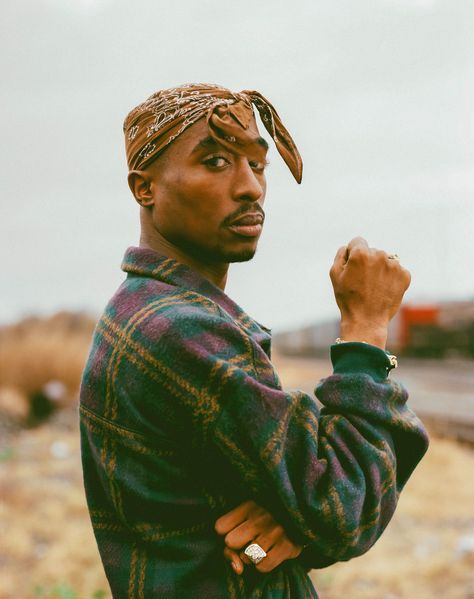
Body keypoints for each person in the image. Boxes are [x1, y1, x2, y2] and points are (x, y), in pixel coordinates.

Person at [80, 83, 428, 598]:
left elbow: (296, 518)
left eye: (258, 165)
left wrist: (294, 529)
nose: (251, 188)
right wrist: (365, 331)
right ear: (144, 188)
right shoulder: (181, 331)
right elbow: (344, 505)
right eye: (216, 161)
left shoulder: (139, 308)